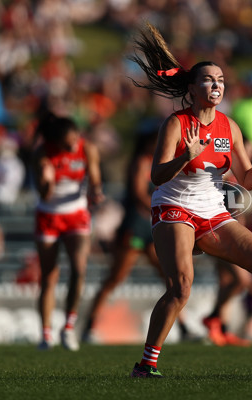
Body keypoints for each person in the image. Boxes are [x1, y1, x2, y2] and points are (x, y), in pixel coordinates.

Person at [127, 23, 252, 378]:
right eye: (208, 80)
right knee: (181, 287)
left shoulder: (229, 126)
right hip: (174, 208)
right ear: (192, 88)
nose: (217, 85)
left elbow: (245, 181)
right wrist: (186, 156)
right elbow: (156, 176)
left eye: (221, 80)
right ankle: (146, 363)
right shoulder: (176, 124)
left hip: (212, 210)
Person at [81, 129, 198, 343]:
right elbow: (138, 194)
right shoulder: (142, 162)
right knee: (116, 278)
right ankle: (89, 325)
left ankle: (182, 327)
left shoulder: (158, 162)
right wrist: (164, 208)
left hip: (152, 227)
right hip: (136, 227)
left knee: (171, 279)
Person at [31, 112, 104, 351]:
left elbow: (95, 178)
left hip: (76, 215)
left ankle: (69, 327)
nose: (73, 144)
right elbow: (44, 193)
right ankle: (45, 334)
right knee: (49, 276)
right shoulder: (43, 153)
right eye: (68, 142)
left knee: (79, 268)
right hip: (48, 216)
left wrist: (95, 191)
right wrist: (47, 181)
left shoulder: (87, 148)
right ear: (58, 141)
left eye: (76, 138)